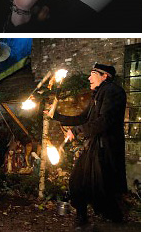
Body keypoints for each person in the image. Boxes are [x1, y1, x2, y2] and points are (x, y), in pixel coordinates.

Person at [52, 64, 128, 228]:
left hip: (105, 148)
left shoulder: (113, 92)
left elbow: (104, 120)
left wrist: (77, 131)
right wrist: (57, 116)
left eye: (92, 73)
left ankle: (114, 218)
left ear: (104, 76)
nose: (88, 77)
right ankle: (83, 216)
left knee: (103, 186)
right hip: (94, 145)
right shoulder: (98, 94)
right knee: (78, 181)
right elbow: (83, 118)